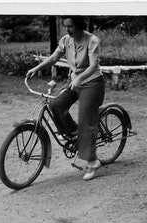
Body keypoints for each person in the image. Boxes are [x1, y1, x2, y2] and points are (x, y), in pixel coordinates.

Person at [26, 16, 105, 181]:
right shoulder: (66, 40)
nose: (67, 30)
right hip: (75, 82)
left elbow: (93, 66)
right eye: (66, 26)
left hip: (92, 84)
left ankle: (92, 161)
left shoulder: (92, 40)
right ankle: (74, 135)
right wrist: (37, 68)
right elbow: (54, 58)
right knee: (55, 104)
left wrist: (78, 79)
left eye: (70, 26)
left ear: (79, 25)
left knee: (85, 121)